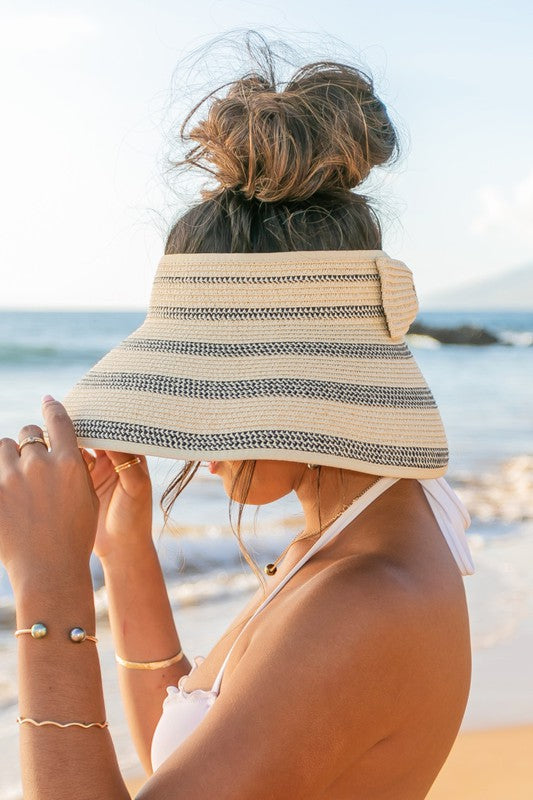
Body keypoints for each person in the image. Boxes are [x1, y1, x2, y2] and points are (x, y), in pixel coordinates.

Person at [0, 35, 475, 800]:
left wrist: (50, 595)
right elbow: (193, 760)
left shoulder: (362, 601)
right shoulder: (358, 533)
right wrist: (124, 557)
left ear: (296, 375)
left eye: (210, 387)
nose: (191, 428)